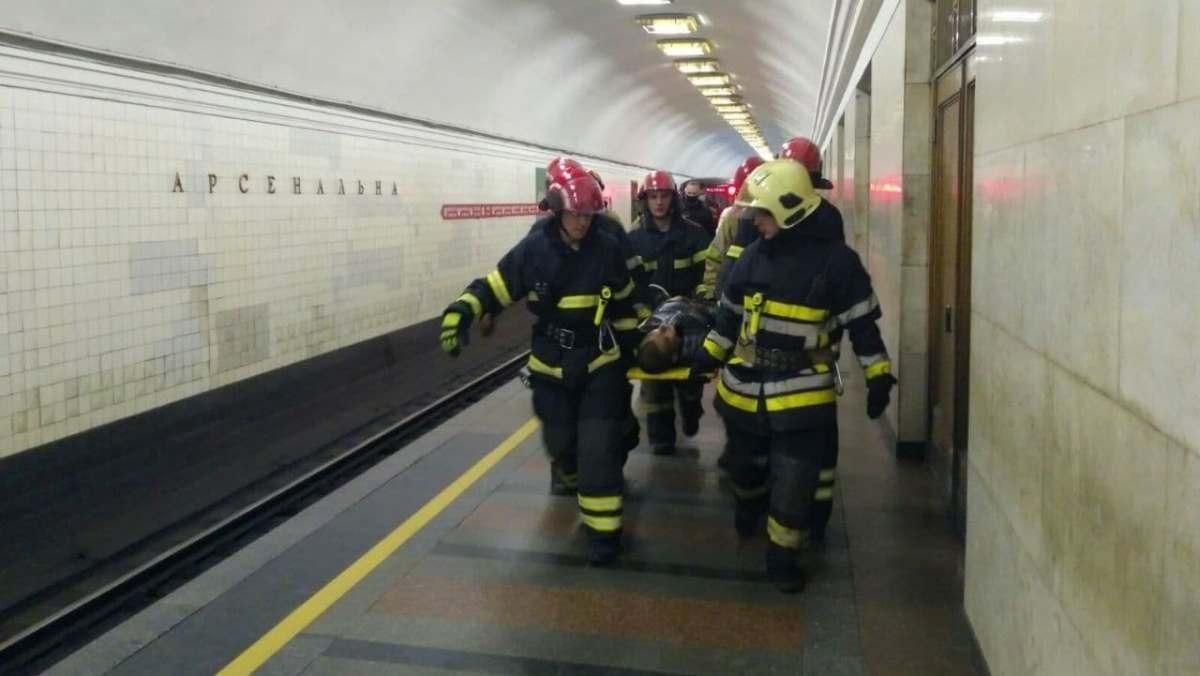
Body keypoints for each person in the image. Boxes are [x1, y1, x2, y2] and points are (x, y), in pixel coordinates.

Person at [692, 160, 896, 592]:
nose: (754, 220)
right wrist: (706, 359)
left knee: (794, 480)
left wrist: (878, 375)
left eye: (761, 213)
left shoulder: (838, 264)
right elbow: (728, 319)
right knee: (744, 469)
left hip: (803, 396)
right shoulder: (749, 258)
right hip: (744, 391)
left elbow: (862, 327)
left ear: (788, 211)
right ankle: (749, 505)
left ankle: (782, 556)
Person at [440, 174, 641, 565]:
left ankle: (604, 536)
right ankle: (571, 474)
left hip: (599, 363)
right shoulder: (534, 250)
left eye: (588, 214)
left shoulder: (607, 248)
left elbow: (624, 304)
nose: (582, 222)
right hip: (550, 365)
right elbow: (496, 286)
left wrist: (631, 356)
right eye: (575, 214)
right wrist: (462, 312)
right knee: (562, 444)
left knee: (597, 449)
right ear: (557, 211)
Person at [628, 171, 713, 455]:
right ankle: (661, 438)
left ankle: (691, 410)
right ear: (645, 201)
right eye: (653, 197)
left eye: (664, 196)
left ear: (673, 199)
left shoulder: (694, 234)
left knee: (690, 381)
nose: (659, 202)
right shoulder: (635, 239)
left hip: (689, 321)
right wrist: (642, 315)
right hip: (653, 323)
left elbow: (708, 275)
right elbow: (629, 284)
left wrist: (701, 300)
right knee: (654, 383)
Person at [698, 156, 762, 301]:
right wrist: (712, 293)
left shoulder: (732, 217)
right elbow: (715, 256)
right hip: (733, 294)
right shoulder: (731, 218)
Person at [635, 295, 714, 374]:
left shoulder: (652, 324)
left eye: (655, 330)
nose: (662, 327)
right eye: (666, 339)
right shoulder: (702, 345)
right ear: (674, 356)